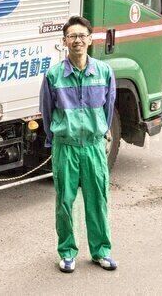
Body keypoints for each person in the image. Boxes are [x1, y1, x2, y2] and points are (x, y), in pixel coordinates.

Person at [39, 15, 117, 273]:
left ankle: (101, 251)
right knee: (65, 202)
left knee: (98, 200)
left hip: (94, 147)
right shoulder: (54, 75)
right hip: (66, 147)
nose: (77, 40)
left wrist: (100, 133)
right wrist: (57, 139)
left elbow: (108, 109)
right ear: (64, 41)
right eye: (72, 36)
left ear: (90, 39)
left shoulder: (104, 72)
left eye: (82, 36)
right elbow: (47, 112)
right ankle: (67, 252)